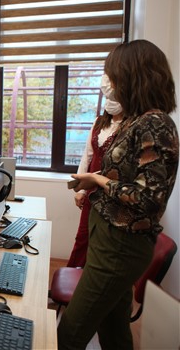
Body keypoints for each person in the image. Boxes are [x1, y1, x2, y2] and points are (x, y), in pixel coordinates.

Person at [58, 39, 179, 350]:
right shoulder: (133, 122)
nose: (109, 84)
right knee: (113, 330)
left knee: (70, 332)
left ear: (133, 76)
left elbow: (148, 198)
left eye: (113, 75)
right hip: (109, 237)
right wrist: (94, 181)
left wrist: (98, 180)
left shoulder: (155, 124)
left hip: (121, 245)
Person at [67, 85, 123, 268]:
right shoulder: (99, 122)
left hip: (112, 192)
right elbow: (87, 156)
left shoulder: (130, 127)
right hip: (91, 188)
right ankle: (73, 274)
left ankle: (91, 276)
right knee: (83, 236)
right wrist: (81, 189)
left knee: (103, 241)